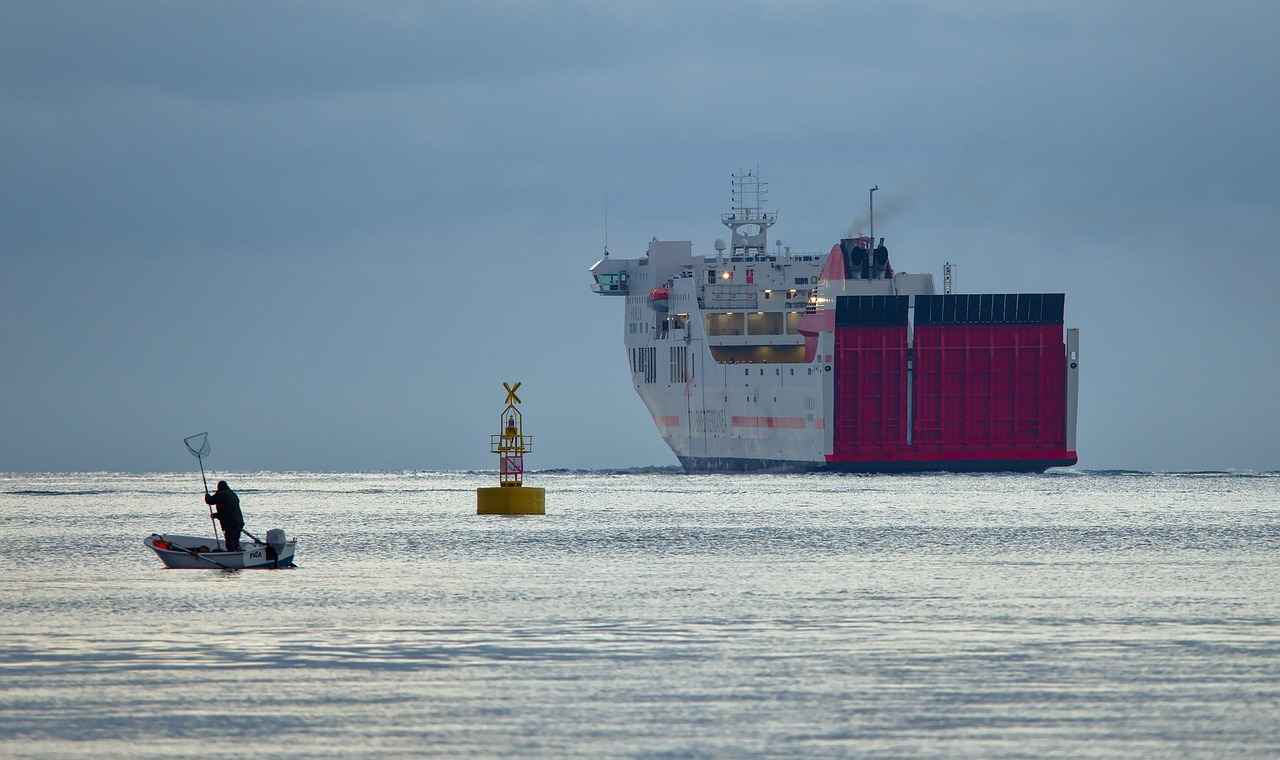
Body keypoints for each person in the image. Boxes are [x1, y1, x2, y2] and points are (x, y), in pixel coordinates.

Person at [205, 480, 245, 552]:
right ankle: (237, 552)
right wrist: (216, 515)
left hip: (231, 524)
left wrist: (207, 495)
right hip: (239, 522)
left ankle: (232, 555)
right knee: (235, 542)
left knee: (230, 543)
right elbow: (227, 511)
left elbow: (210, 500)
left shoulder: (222, 494)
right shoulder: (232, 494)